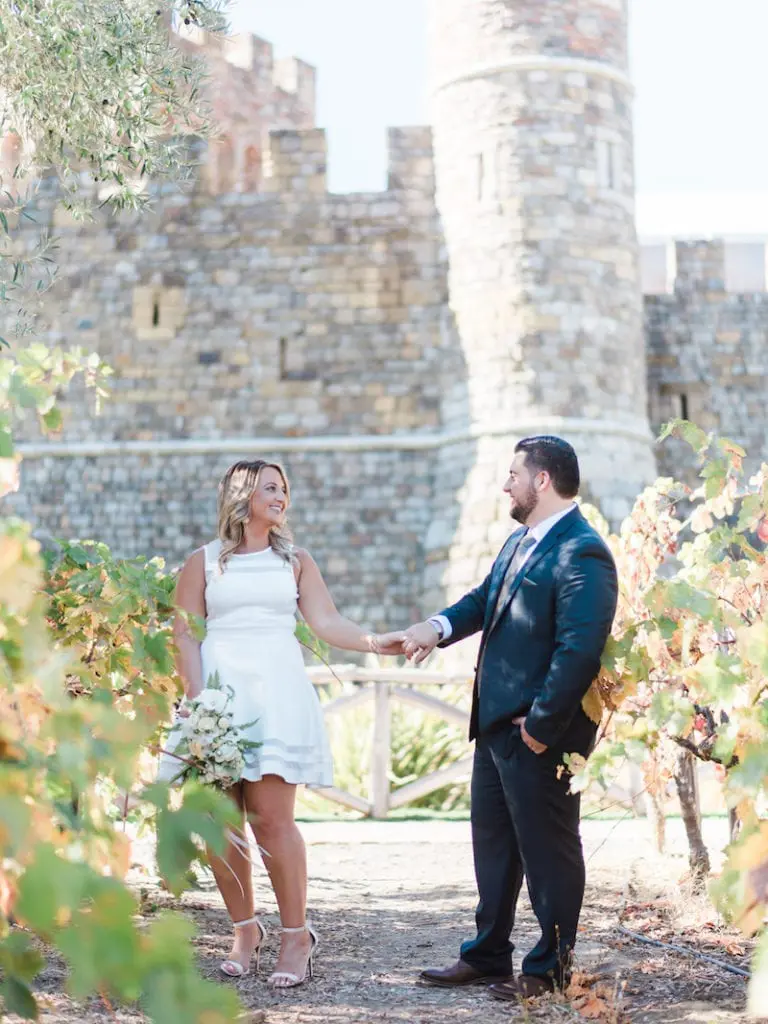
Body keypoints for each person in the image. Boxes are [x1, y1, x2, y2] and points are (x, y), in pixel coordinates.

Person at [168, 460, 404, 988]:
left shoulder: (295, 561)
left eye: (284, 489)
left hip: (275, 695)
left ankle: (297, 936)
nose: (281, 497)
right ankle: (245, 930)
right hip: (219, 700)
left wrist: (374, 641)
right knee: (219, 823)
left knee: (272, 820)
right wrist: (197, 700)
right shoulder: (201, 562)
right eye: (270, 488)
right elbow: (185, 635)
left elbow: (326, 621)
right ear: (242, 494)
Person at [403, 436, 618, 1002]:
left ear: (541, 480)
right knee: (494, 846)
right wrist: (436, 628)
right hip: (496, 725)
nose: (505, 486)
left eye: (513, 475)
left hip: (540, 733)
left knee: (549, 851)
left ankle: (549, 972)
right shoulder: (519, 540)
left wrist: (541, 728)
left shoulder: (582, 550)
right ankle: (488, 955)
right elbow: (484, 599)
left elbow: (579, 650)